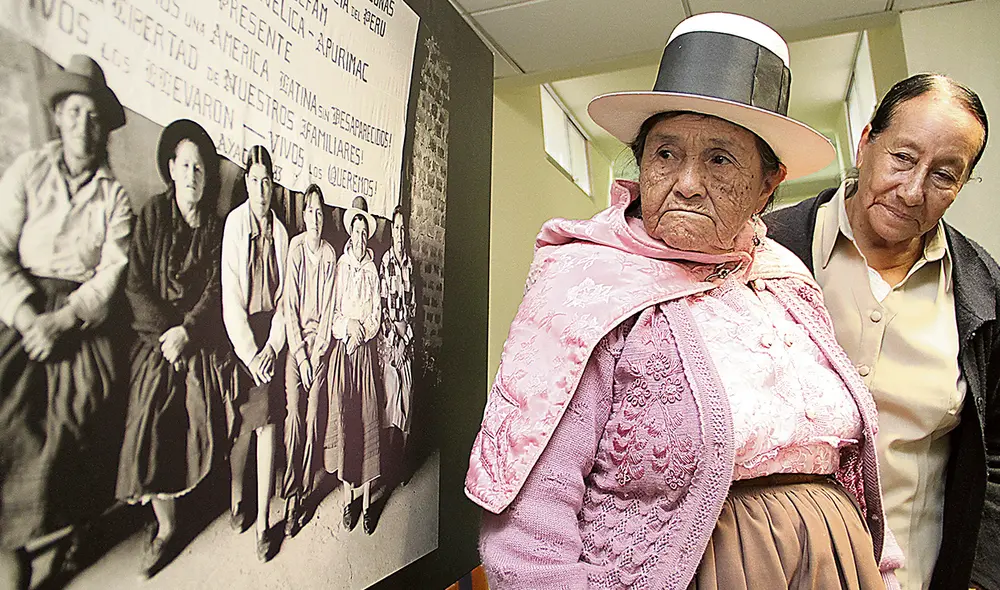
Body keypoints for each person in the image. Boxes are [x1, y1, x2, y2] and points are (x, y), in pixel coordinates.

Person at [466, 13, 903, 589]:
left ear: (768, 185)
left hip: (835, 566)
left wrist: (884, 569)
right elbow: (530, 516)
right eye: (666, 154)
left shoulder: (783, 276)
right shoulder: (586, 284)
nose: (687, 181)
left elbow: (850, 456)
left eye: (719, 159)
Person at [765, 74, 995, 590]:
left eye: (944, 175)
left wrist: (979, 575)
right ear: (866, 141)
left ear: (961, 185)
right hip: (776, 572)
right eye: (903, 158)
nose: (913, 192)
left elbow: (996, 448)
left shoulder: (984, 294)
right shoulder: (763, 255)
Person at [0, 54, 132, 589]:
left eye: (94, 115)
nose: (84, 125)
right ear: (57, 115)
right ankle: (11, 545)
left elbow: (108, 277)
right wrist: (29, 315)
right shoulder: (28, 171)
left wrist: (63, 321)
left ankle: (64, 532)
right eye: (75, 112)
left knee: (78, 414)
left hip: (80, 322)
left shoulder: (113, 196)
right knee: (9, 414)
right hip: (21, 310)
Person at [115, 119, 226, 577]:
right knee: (149, 404)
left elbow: (217, 290)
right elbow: (137, 283)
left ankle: (192, 499)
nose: (193, 176)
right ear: (171, 169)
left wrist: (189, 332)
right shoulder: (152, 216)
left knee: (201, 398)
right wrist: (168, 334)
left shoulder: (215, 229)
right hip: (154, 337)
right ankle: (165, 525)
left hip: (196, 337)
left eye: (200, 168)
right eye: (186, 166)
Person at [221, 145, 288, 562]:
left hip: (270, 336)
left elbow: (285, 301)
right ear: (246, 183)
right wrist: (251, 353)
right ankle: (236, 497)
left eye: (267, 181)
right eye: (254, 180)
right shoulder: (234, 225)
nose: (261, 189)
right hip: (240, 335)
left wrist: (272, 349)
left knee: (267, 425)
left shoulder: (280, 233)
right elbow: (230, 296)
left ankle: (263, 521)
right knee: (241, 428)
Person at [280, 184, 337, 537]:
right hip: (295, 347)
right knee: (293, 419)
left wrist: (315, 354)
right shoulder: (296, 248)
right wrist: (300, 355)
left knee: (314, 418)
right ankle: (289, 498)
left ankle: (303, 493)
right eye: (310, 212)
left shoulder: (330, 254)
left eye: (319, 213)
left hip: (319, 348)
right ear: (302, 216)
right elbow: (289, 306)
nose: (314, 219)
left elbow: (329, 311)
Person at [324, 195, 381, 535]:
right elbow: (332, 314)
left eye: (364, 232)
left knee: (368, 418)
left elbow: (376, 313)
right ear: (349, 234)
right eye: (355, 231)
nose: (359, 238)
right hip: (345, 352)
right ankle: (348, 501)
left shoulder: (372, 272)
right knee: (347, 422)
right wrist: (348, 329)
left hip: (365, 352)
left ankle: (367, 503)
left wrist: (364, 331)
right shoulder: (341, 269)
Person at [378, 206, 415, 485]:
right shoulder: (385, 263)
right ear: (391, 231)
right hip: (391, 344)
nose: (400, 234)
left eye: (403, 229)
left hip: (406, 342)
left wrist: (407, 340)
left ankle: (401, 463)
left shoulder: (410, 265)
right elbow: (381, 310)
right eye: (396, 229)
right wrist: (396, 342)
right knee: (392, 399)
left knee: (408, 399)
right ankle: (387, 466)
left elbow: (412, 308)